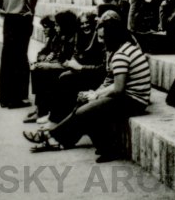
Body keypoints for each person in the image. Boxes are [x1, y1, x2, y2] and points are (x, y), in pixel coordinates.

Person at [23, 11, 151, 162]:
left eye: (103, 38)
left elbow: (118, 89)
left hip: (134, 101)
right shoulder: (120, 49)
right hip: (128, 96)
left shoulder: (120, 55)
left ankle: (105, 148)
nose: (101, 41)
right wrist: (93, 93)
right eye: (99, 37)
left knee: (87, 110)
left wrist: (96, 96)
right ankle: (58, 139)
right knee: (84, 103)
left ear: (112, 37)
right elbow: (110, 81)